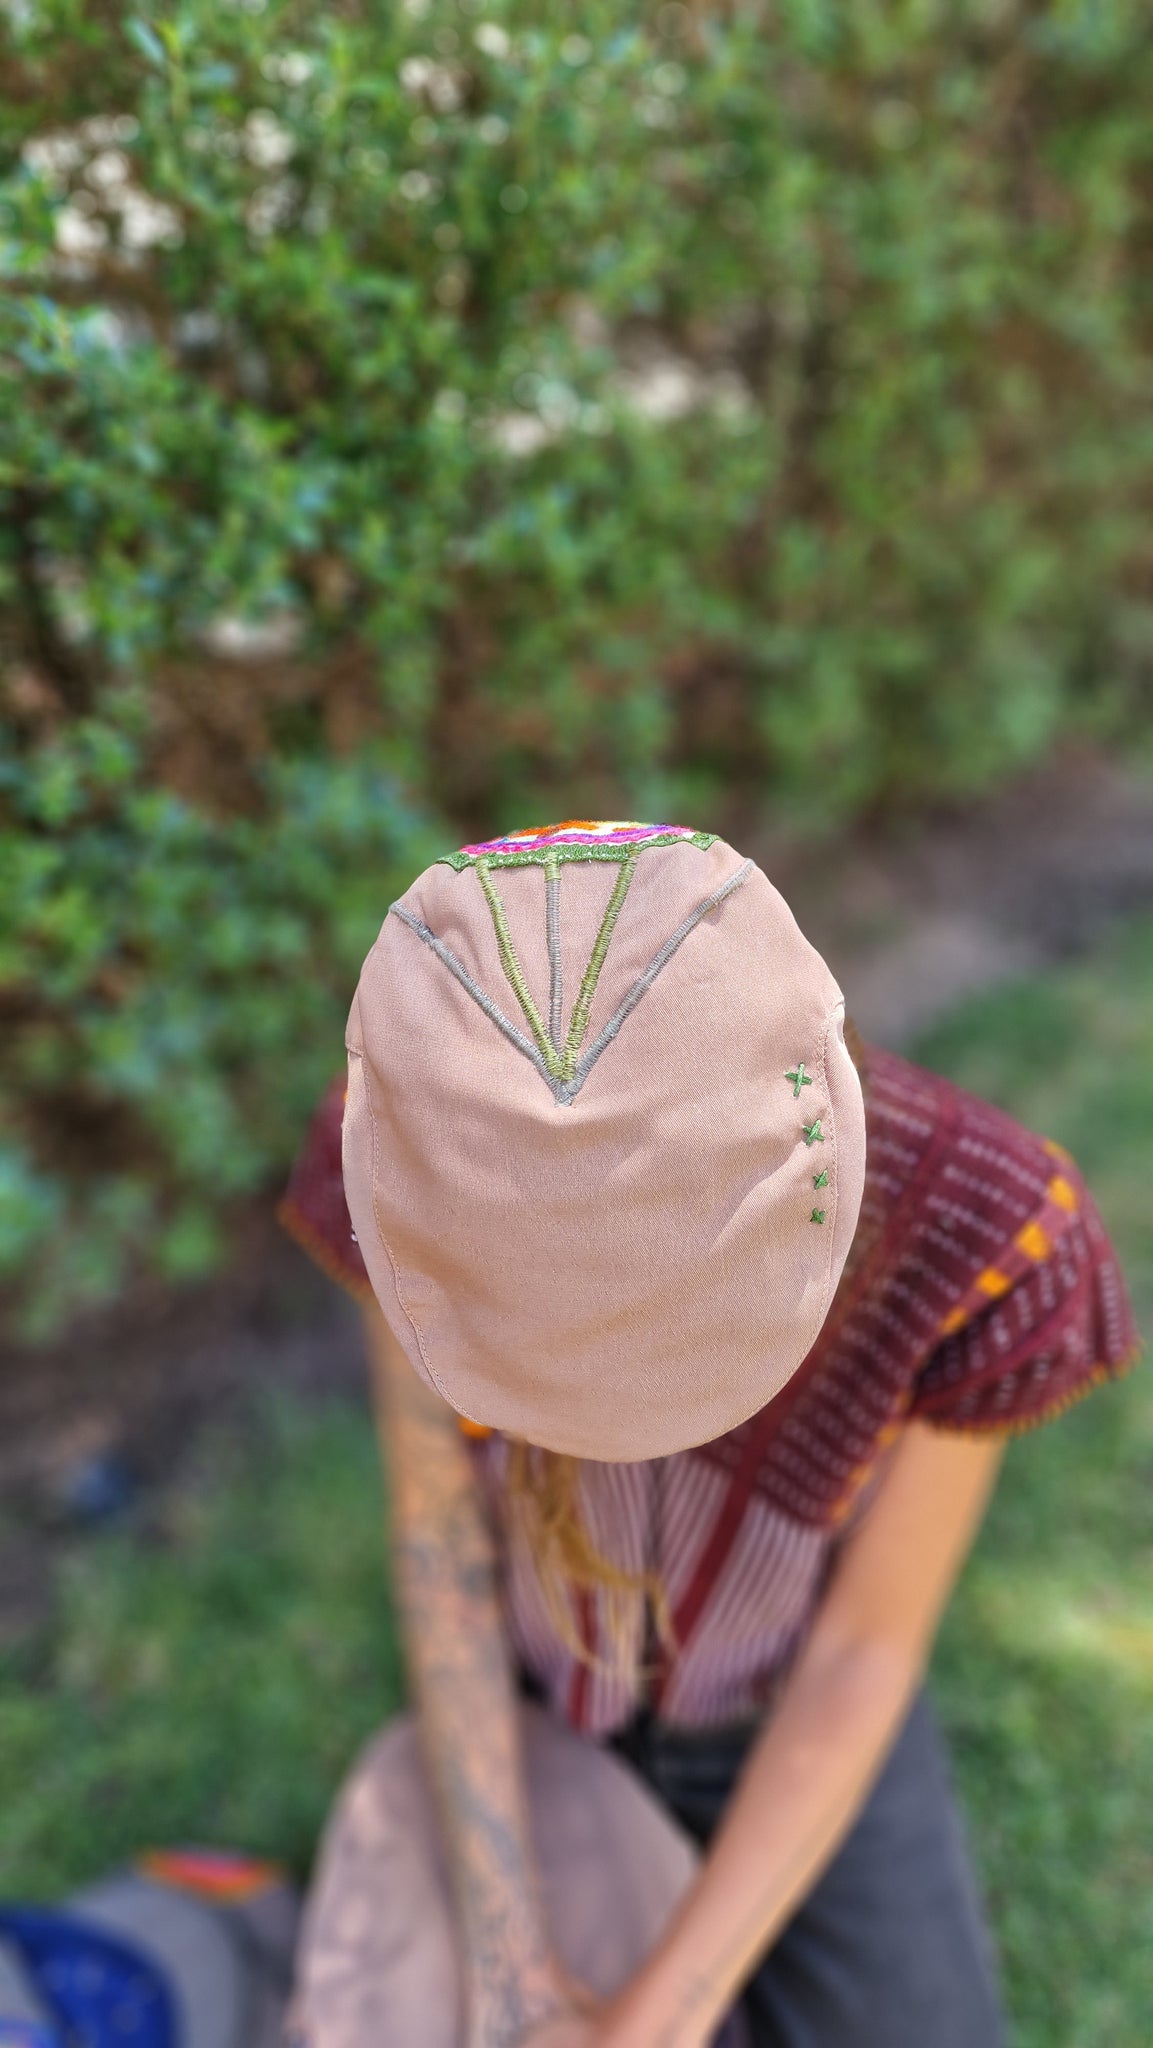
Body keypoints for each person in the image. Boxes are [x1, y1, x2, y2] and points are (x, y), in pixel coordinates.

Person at [279, 820, 1140, 2048]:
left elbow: (862, 1654)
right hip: (534, 1670)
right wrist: (511, 1960)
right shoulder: (411, 1148)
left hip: (782, 1705)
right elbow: (437, 1533)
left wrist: (652, 2017)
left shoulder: (978, 1228)